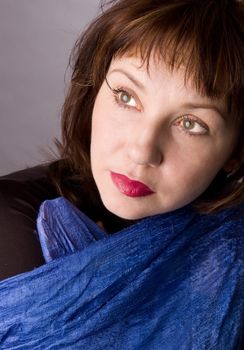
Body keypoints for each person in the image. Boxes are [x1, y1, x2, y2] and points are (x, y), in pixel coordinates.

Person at [0, 0, 243, 348]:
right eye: (126, 97)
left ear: (235, 153)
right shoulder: (11, 221)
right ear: (95, 89)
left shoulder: (231, 258)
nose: (142, 150)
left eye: (191, 124)